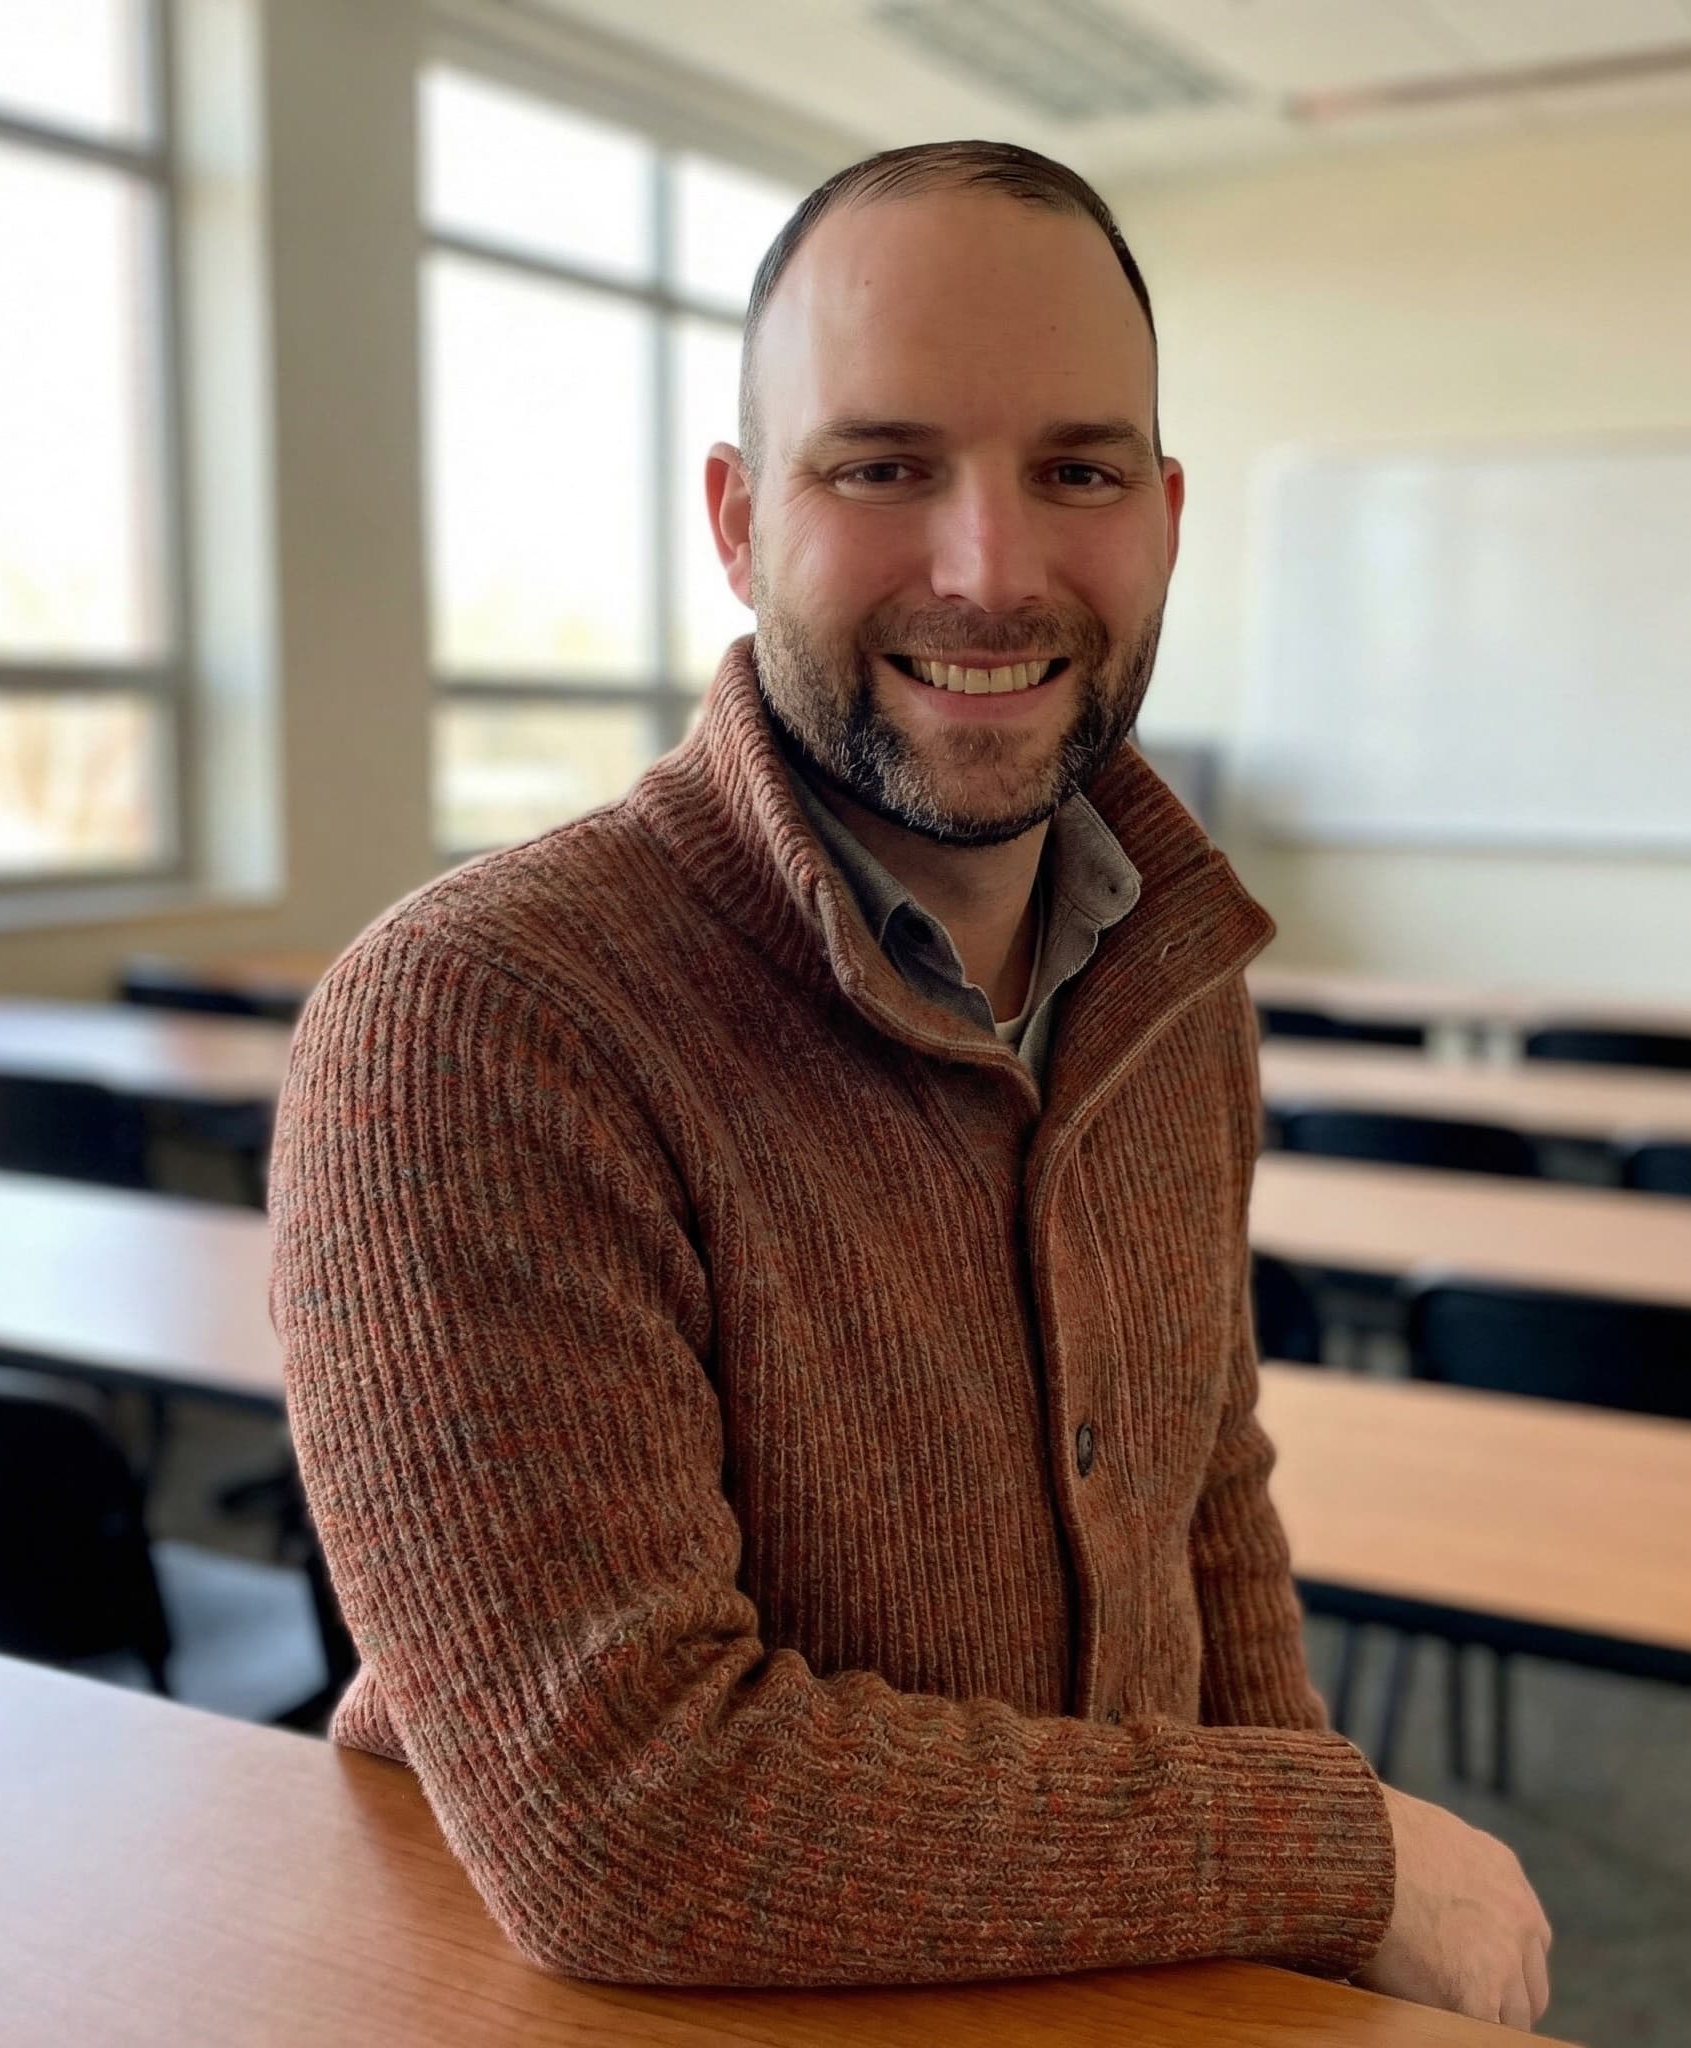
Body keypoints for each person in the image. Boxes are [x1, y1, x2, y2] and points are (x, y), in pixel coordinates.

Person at [271, 139, 1550, 2029]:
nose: (991, 567)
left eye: (1079, 472)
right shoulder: (478, 1020)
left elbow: (1202, 1497)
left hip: (1093, 1988)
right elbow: (632, 1813)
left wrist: (1314, 1967)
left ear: (1168, 518)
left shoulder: (1174, 981)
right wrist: (1333, 1844)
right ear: (732, 518)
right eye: (882, 467)